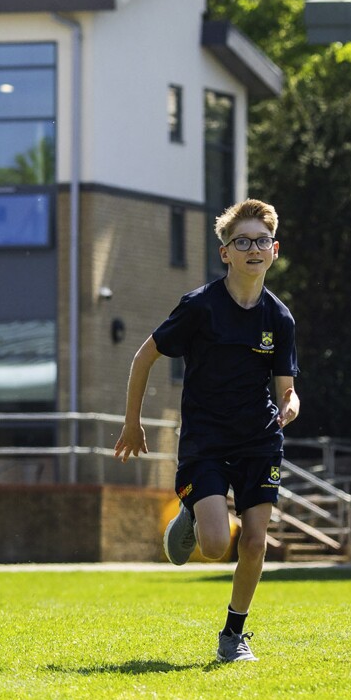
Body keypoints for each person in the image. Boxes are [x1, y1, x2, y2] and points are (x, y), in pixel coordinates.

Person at [116, 198, 299, 663]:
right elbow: (143, 357)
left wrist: (291, 404)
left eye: (261, 241)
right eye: (243, 241)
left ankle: (233, 635)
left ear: (274, 251)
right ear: (226, 253)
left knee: (255, 541)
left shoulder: (279, 319)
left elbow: (286, 388)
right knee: (216, 546)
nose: (253, 248)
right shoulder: (199, 307)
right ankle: (194, 512)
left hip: (260, 438)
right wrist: (132, 422)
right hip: (207, 440)